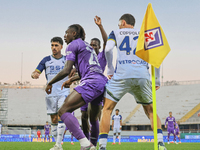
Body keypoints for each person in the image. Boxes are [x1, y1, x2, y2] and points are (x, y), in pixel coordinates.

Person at [98, 13, 166, 150]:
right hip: (142, 74)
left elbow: (108, 48)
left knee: (107, 109)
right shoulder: (144, 33)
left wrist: (110, 69)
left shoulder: (116, 32)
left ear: (123, 22)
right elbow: (156, 56)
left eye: (119, 23)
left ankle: (102, 147)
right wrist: (157, 80)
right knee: (151, 111)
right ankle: (160, 143)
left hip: (121, 75)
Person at [45, 24, 107, 150]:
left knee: (63, 111)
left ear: (73, 34)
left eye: (66, 33)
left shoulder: (72, 45)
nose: (64, 36)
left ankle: (85, 143)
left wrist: (50, 82)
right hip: (101, 82)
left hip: (90, 82)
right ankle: (93, 146)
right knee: (94, 117)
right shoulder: (88, 46)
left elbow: (66, 70)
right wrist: (73, 79)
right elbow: (88, 69)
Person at [31, 37, 70, 150]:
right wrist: (34, 75)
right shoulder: (46, 60)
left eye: (56, 45)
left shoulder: (67, 59)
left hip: (63, 91)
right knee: (53, 119)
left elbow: (75, 70)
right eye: (52, 45)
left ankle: (58, 145)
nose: (54, 47)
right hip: (50, 92)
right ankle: (57, 144)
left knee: (61, 115)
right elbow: (36, 71)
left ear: (61, 47)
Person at [80, 16, 107, 145]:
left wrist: (100, 26)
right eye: (90, 45)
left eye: (94, 45)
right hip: (85, 85)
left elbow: (107, 42)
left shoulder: (103, 55)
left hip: (97, 88)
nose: (92, 47)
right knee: (83, 116)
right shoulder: (86, 57)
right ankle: (85, 142)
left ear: (99, 47)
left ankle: (93, 144)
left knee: (94, 117)